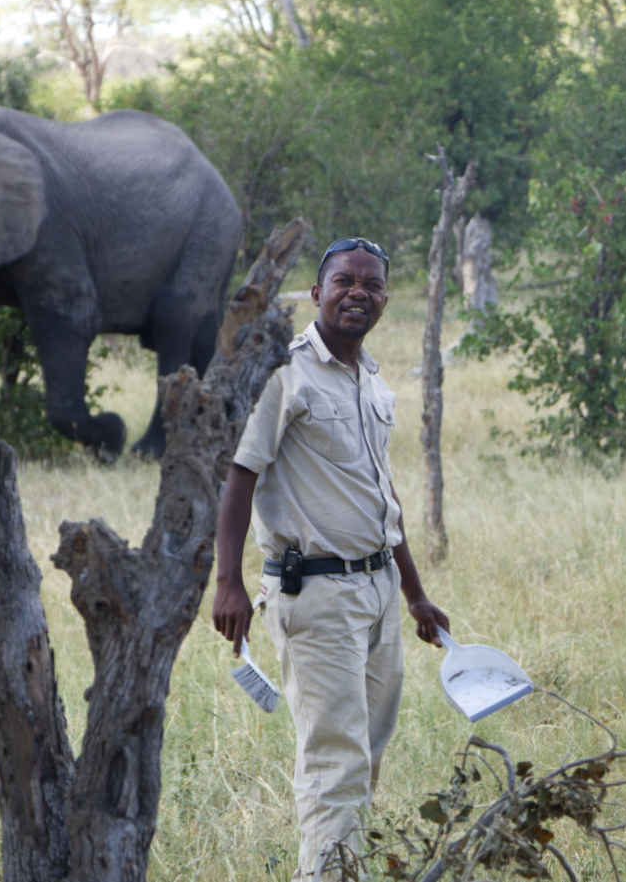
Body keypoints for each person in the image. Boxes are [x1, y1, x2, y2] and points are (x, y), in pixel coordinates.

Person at [213, 236, 450, 880]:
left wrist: (415, 595)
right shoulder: (285, 374)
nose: (358, 293)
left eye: (372, 285)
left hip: (378, 590)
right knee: (334, 761)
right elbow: (240, 474)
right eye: (344, 281)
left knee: (365, 753)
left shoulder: (369, 379)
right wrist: (228, 582)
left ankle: (343, 868)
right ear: (318, 292)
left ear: (385, 300)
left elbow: (382, 496)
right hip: (315, 594)